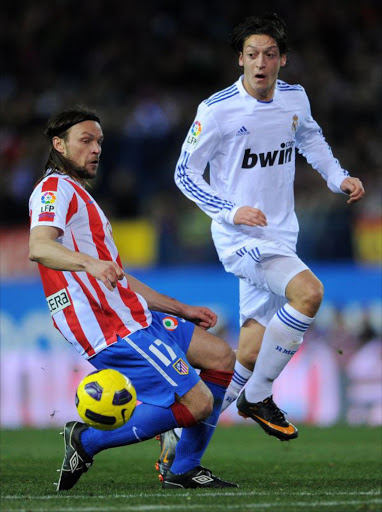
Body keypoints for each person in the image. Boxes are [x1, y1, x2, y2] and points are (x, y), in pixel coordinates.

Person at [156, 12, 365, 475]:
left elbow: (311, 138)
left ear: (282, 60)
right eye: (252, 54)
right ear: (241, 59)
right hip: (239, 237)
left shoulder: (296, 98)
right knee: (308, 292)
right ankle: (258, 398)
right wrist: (230, 211)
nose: (260, 62)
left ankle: (181, 435)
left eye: (270, 54)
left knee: (245, 356)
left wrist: (338, 177)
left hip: (281, 235)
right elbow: (184, 173)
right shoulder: (216, 110)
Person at [28, 107, 238, 490]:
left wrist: (180, 308)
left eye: (100, 142)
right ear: (59, 145)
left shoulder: (80, 196)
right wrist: (90, 264)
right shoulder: (53, 190)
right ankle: (86, 441)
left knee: (222, 357)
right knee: (198, 404)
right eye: (86, 141)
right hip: (111, 327)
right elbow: (40, 247)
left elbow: (118, 277)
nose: (96, 150)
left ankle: (185, 466)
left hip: (135, 314)